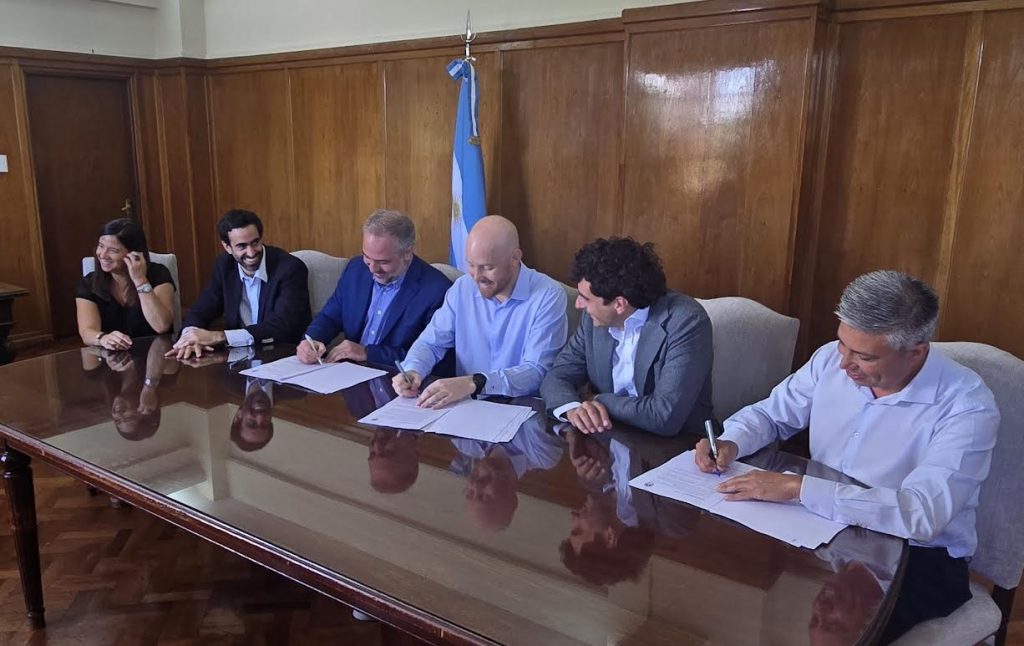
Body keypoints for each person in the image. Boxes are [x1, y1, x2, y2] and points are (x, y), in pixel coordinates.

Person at [694, 270, 1000, 644]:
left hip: (919, 556)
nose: (844, 364)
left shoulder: (967, 406)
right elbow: (772, 414)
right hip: (822, 529)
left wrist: (798, 489)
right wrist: (731, 441)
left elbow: (922, 514)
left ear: (916, 353)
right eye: (843, 344)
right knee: (728, 591)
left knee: (833, 635)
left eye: (864, 356)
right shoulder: (829, 360)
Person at [541, 237, 713, 436]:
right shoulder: (594, 320)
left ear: (619, 304)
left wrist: (596, 400)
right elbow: (558, 375)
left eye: (585, 298)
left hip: (681, 445)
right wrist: (573, 409)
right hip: (610, 436)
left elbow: (664, 416)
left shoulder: (687, 322)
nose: (578, 304)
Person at [392, 215, 567, 407]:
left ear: (515, 258)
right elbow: (431, 343)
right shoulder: (463, 287)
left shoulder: (548, 295)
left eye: (487, 268)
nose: (476, 277)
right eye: (471, 265)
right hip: (466, 405)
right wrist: (413, 370)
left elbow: (536, 371)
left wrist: (475, 383)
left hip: (520, 407)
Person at [296, 210, 452, 370]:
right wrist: (312, 341)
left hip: (396, 377)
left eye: (383, 262)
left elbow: (433, 356)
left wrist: (367, 353)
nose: (372, 269)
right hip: (347, 372)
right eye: (367, 257)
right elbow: (330, 317)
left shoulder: (437, 291)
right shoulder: (356, 269)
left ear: (407, 252)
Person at [169, 209, 310, 359]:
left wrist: (220, 336)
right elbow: (201, 310)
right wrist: (189, 338)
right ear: (227, 247)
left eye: (255, 243)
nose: (251, 253)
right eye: (242, 246)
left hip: (282, 355)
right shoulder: (224, 266)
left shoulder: (290, 268)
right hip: (240, 358)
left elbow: (283, 326)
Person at [76, 218, 176, 350]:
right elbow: (87, 331)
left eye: (113, 250)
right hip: (112, 355)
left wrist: (140, 280)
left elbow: (161, 325)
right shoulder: (89, 283)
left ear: (134, 254)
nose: (102, 255)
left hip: (156, 352)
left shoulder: (158, 273)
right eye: (101, 246)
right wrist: (102, 338)